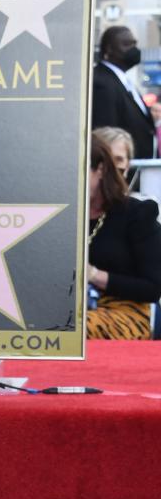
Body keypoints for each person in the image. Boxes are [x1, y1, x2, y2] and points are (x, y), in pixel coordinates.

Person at [87, 132, 161, 339]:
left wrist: (93, 275)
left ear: (100, 170)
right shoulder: (63, 215)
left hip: (123, 312)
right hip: (66, 309)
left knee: (68, 331)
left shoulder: (137, 214)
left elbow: (153, 288)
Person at [91, 26, 155, 161]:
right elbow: (106, 131)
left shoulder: (122, 79)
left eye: (134, 44)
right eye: (126, 44)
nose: (133, 49)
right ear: (109, 49)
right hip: (120, 170)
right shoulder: (101, 82)